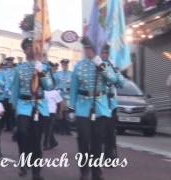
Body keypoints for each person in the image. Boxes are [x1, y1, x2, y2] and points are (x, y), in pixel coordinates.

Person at [70, 38, 122, 180]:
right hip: (82, 107)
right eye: (86, 48)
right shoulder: (79, 66)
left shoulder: (104, 64)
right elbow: (74, 88)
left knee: (97, 142)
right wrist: (71, 108)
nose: (88, 51)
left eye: (90, 48)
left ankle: (96, 173)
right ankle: (84, 170)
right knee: (83, 140)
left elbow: (113, 80)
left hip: (100, 108)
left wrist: (100, 64)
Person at [10, 38, 54, 180]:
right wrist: (15, 109)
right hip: (24, 106)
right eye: (28, 47)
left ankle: (36, 172)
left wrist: (41, 72)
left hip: (39, 106)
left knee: (36, 140)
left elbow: (48, 86)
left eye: (32, 47)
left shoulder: (44, 67)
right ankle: (24, 161)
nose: (31, 49)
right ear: (24, 50)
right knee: (22, 134)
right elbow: (15, 90)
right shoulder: (19, 69)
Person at [100, 45, 125, 162]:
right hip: (100, 104)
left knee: (111, 133)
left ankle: (111, 156)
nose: (104, 54)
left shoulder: (112, 66)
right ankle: (98, 156)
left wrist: (116, 71)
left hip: (112, 105)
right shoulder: (97, 66)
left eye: (106, 53)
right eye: (102, 52)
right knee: (100, 133)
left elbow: (121, 83)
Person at [55, 59, 73, 135]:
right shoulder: (57, 74)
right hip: (60, 95)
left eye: (66, 65)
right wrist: (58, 89)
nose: (65, 66)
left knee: (68, 113)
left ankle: (68, 130)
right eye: (64, 65)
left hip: (68, 96)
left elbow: (74, 84)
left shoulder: (71, 74)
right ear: (61, 65)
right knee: (60, 112)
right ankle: (61, 129)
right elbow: (54, 84)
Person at [0, 57, 16, 132]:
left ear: (12, 63)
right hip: (5, 95)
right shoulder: (3, 72)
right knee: (5, 111)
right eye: (8, 62)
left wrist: (12, 89)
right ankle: (4, 126)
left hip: (12, 95)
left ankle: (11, 127)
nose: (9, 64)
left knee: (11, 113)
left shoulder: (15, 71)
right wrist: (5, 86)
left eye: (10, 62)